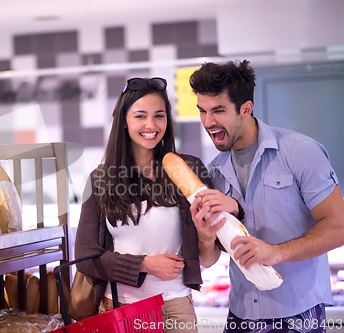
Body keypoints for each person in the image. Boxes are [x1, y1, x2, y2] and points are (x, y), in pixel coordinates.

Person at [74, 77, 241, 332]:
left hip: (177, 306)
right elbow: (86, 256)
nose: (151, 125)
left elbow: (209, 260)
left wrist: (206, 240)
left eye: (159, 116)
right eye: (140, 116)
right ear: (124, 121)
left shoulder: (189, 169)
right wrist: (143, 264)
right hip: (120, 308)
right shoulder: (100, 180)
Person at [189, 59, 344, 332]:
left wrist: (276, 253)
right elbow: (209, 258)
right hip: (241, 314)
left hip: (298, 315)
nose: (208, 121)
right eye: (202, 111)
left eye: (218, 110)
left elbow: (339, 226)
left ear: (246, 109)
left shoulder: (300, 152)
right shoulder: (213, 172)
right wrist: (205, 236)